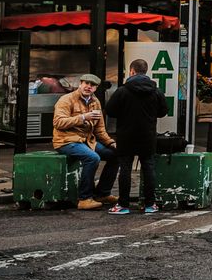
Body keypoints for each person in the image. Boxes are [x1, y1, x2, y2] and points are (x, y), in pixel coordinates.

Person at [102, 58, 166, 215]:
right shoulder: (155, 91)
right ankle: (150, 204)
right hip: (148, 135)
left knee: (125, 169)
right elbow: (163, 111)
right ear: (145, 71)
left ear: (131, 71)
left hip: (126, 136)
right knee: (149, 167)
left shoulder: (123, 91)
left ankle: (123, 205)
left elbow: (110, 110)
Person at [52, 73, 117, 210]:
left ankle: (102, 193)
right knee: (93, 158)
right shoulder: (66, 99)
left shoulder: (95, 102)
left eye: (92, 85)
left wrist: (111, 143)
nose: (88, 87)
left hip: (87, 141)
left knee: (116, 155)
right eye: (86, 83)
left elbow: (100, 130)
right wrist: (82, 117)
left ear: (96, 88)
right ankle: (84, 198)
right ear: (80, 84)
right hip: (66, 141)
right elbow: (58, 122)